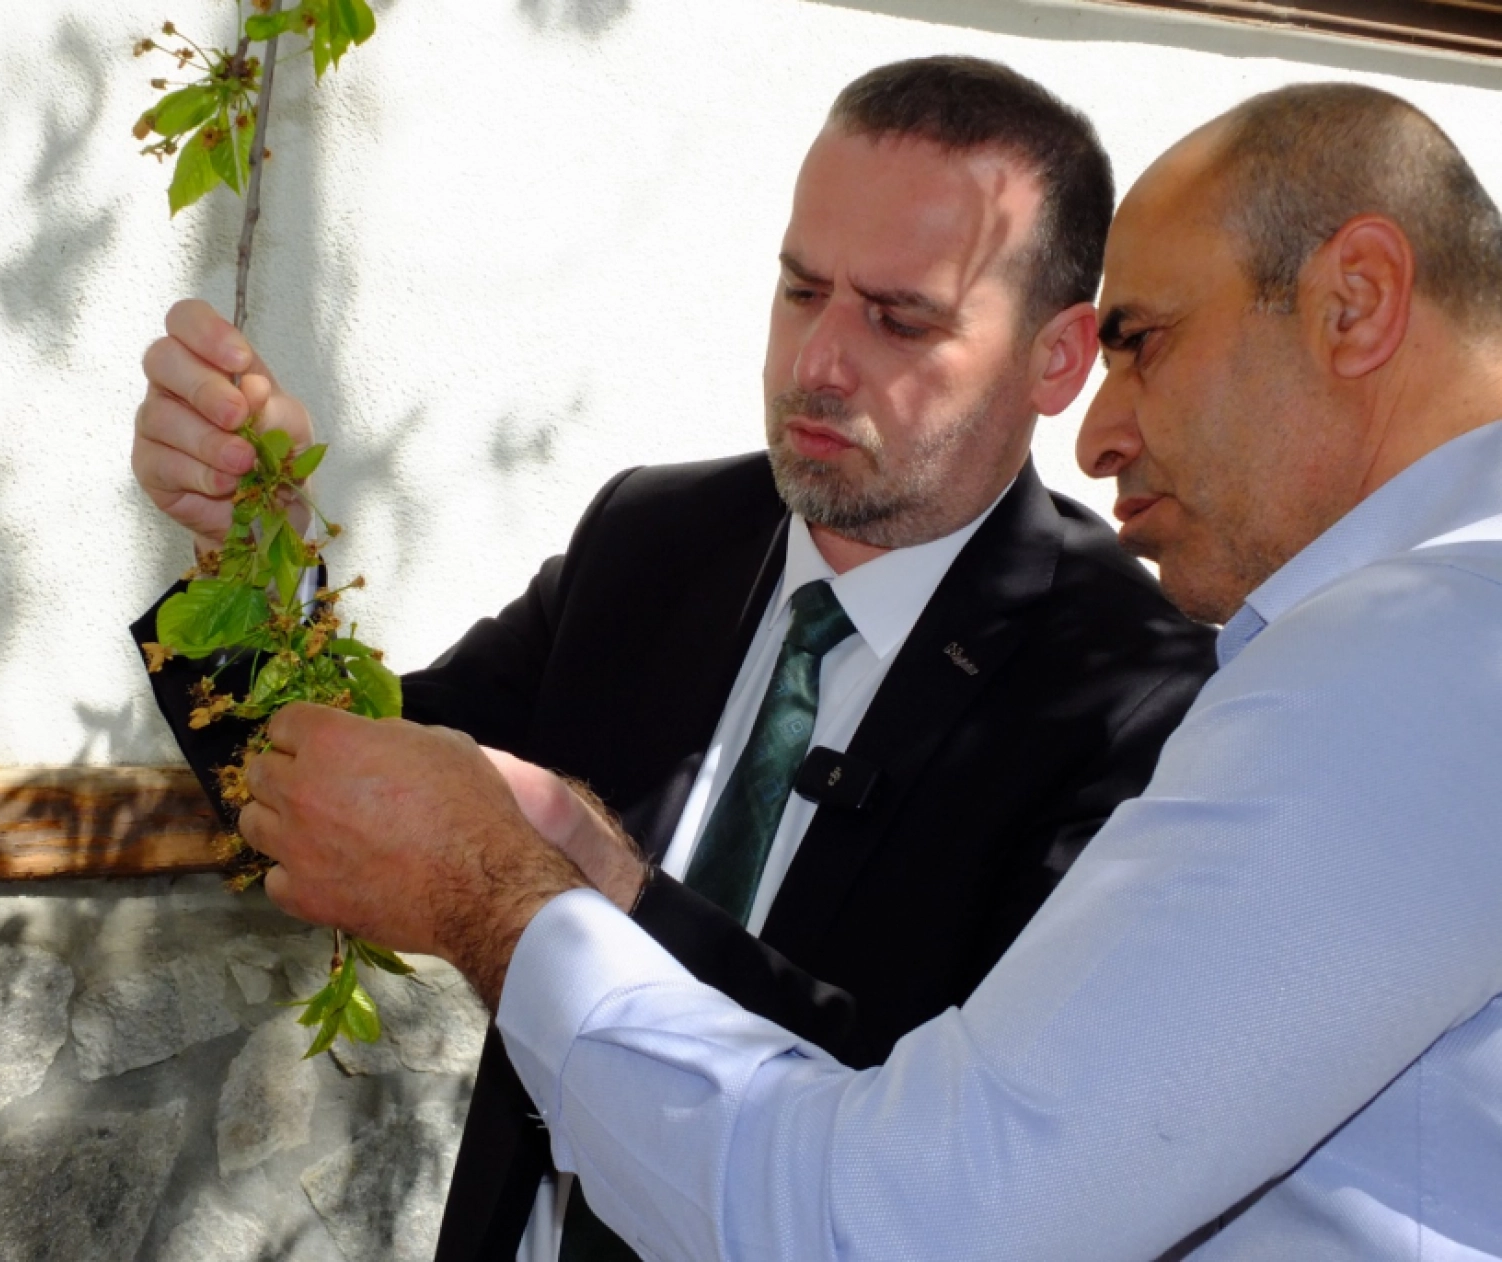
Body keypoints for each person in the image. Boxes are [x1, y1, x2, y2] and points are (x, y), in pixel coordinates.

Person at [237, 81, 1502, 1260]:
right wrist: (248, 562)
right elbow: (337, 795)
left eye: (900, 316)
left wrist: (523, 900)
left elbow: (928, 1184)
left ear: (1354, 300)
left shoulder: (1200, 678)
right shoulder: (651, 537)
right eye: (799, 291)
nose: (819, 363)